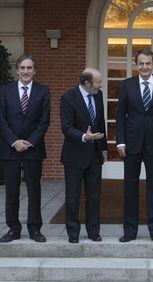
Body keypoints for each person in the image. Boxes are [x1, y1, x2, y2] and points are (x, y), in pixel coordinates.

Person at [116, 49, 153, 244]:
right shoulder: (126, 85)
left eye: (148, 63)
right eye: (141, 63)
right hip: (131, 143)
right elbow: (120, 117)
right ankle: (130, 231)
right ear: (136, 65)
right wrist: (120, 141)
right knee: (130, 187)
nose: (144, 67)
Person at [0, 54, 50, 243]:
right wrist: (14, 141)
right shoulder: (5, 90)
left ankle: (35, 229)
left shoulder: (43, 91)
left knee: (34, 189)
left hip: (33, 149)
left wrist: (29, 142)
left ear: (34, 71)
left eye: (29, 68)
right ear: (17, 70)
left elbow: (44, 121)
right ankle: (13, 228)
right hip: (10, 149)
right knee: (12, 190)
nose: (26, 71)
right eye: (22, 68)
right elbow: (0, 120)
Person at [60, 68, 108, 243]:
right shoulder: (68, 98)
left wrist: (103, 148)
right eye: (98, 82)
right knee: (73, 196)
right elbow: (66, 127)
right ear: (87, 83)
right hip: (74, 155)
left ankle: (93, 231)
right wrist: (84, 137)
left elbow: (100, 122)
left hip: (94, 155)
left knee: (94, 196)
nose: (100, 85)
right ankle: (73, 232)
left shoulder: (98, 95)